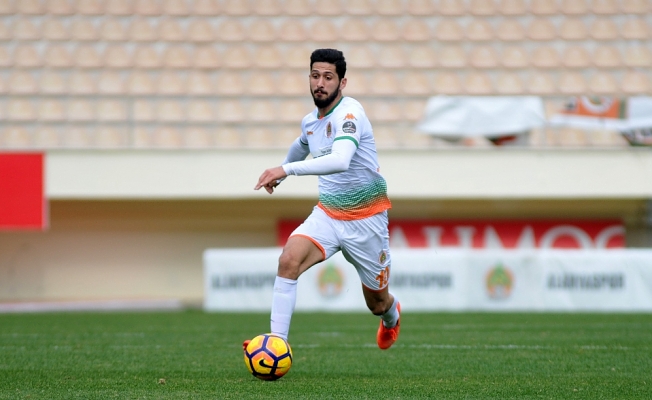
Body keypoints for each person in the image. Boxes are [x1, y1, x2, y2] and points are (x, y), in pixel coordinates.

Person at [247, 48, 400, 351]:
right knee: (288, 260)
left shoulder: (350, 114)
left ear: (342, 82)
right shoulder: (310, 121)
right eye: (315, 76)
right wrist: (282, 172)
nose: (320, 83)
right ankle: (276, 344)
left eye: (328, 77)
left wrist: (286, 169)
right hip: (328, 214)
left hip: (366, 219)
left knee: (378, 304)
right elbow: (302, 143)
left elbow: (341, 160)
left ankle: (392, 318)